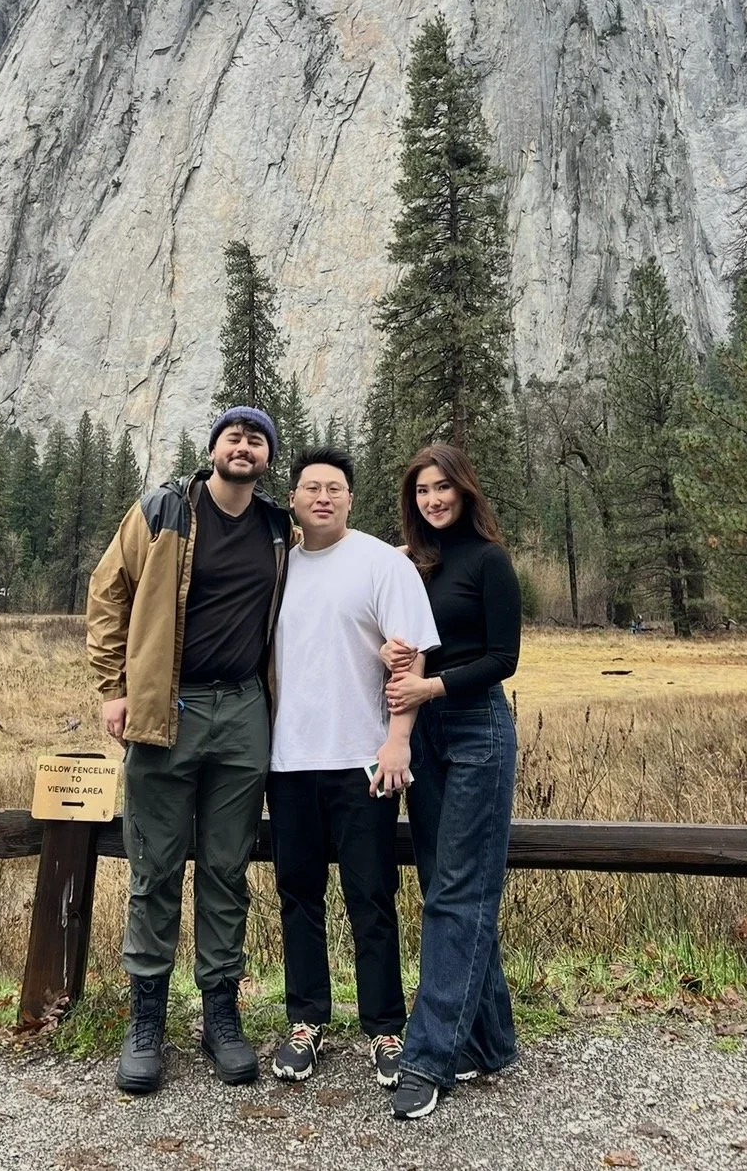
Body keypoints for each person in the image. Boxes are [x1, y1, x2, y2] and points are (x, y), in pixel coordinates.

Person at [87, 407, 294, 1095]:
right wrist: (114, 686)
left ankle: (220, 1014)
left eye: (256, 438)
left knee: (228, 869)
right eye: (233, 435)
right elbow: (106, 590)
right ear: (212, 450)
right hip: (163, 707)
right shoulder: (163, 509)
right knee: (154, 866)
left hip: (243, 711)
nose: (244, 446)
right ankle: (146, 1019)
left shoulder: (276, 530)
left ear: (266, 457)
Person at [266, 447, 440, 1089]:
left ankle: (385, 1028)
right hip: (287, 762)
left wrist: (399, 742)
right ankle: (306, 1021)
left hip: (363, 761)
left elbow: (411, 657)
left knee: (371, 896)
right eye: (310, 487)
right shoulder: (277, 566)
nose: (322, 497)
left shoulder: (378, 563)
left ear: (350, 499)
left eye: (334, 488)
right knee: (298, 895)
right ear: (292, 499)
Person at [381, 444, 522, 1121]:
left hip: (476, 733)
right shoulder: (412, 563)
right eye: (422, 490)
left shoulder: (489, 561)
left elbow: (504, 657)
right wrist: (392, 655)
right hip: (425, 735)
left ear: (465, 490)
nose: (433, 499)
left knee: (459, 892)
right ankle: (490, 1040)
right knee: (445, 887)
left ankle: (428, 1056)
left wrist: (430, 684)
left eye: (443, 487)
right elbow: (400, 636)